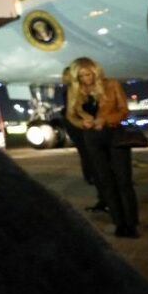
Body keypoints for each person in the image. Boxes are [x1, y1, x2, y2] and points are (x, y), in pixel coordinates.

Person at [65, 57, 139, 238]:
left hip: (114, 134)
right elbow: (70, 114)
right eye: (81, 76)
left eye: (88, 74)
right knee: (106, 182)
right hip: (92, 138)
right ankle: (119, 223)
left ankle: (131, 223)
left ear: (95, 72)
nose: (86, 78)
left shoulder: (112, 84)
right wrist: (83, 123)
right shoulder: (74, 90)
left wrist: (105, 120)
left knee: (124, 181)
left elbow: (124, 110)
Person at [59, 65, 106, 212]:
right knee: (95, 167)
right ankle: (104, 199)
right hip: (83, 135)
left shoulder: (77, 92)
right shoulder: (72, 92)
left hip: (86, 135)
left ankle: (105, 200)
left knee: (96, 168)